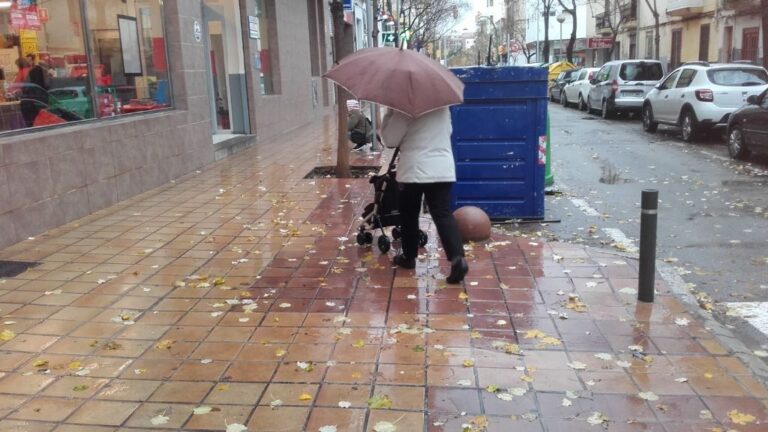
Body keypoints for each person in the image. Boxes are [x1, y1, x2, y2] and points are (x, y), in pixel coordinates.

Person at [381, 106, 468, 284]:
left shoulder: (403, 108)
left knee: (409, 214)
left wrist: (390, 113)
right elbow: (448, 131)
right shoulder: (442, 107)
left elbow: (390, 140)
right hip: (442, 169)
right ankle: (457, 258)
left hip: (413, 170)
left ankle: (409, 257)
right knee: (442, 213)